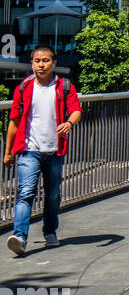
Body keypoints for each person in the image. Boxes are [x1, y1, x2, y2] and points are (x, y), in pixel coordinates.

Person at [3, 45, 81, 256]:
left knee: (53, 195)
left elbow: (76, 109)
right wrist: (8, 151)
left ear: (54, 63)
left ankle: (49, 231)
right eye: (37, 61)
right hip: (29, 150)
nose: (41, 65)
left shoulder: (64, 86)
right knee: (25, 193)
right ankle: (20, 237)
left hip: (55, 150)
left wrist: (69, 123)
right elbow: (14, 121)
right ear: (32, 63)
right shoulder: (24, 88)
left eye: (46, 60)